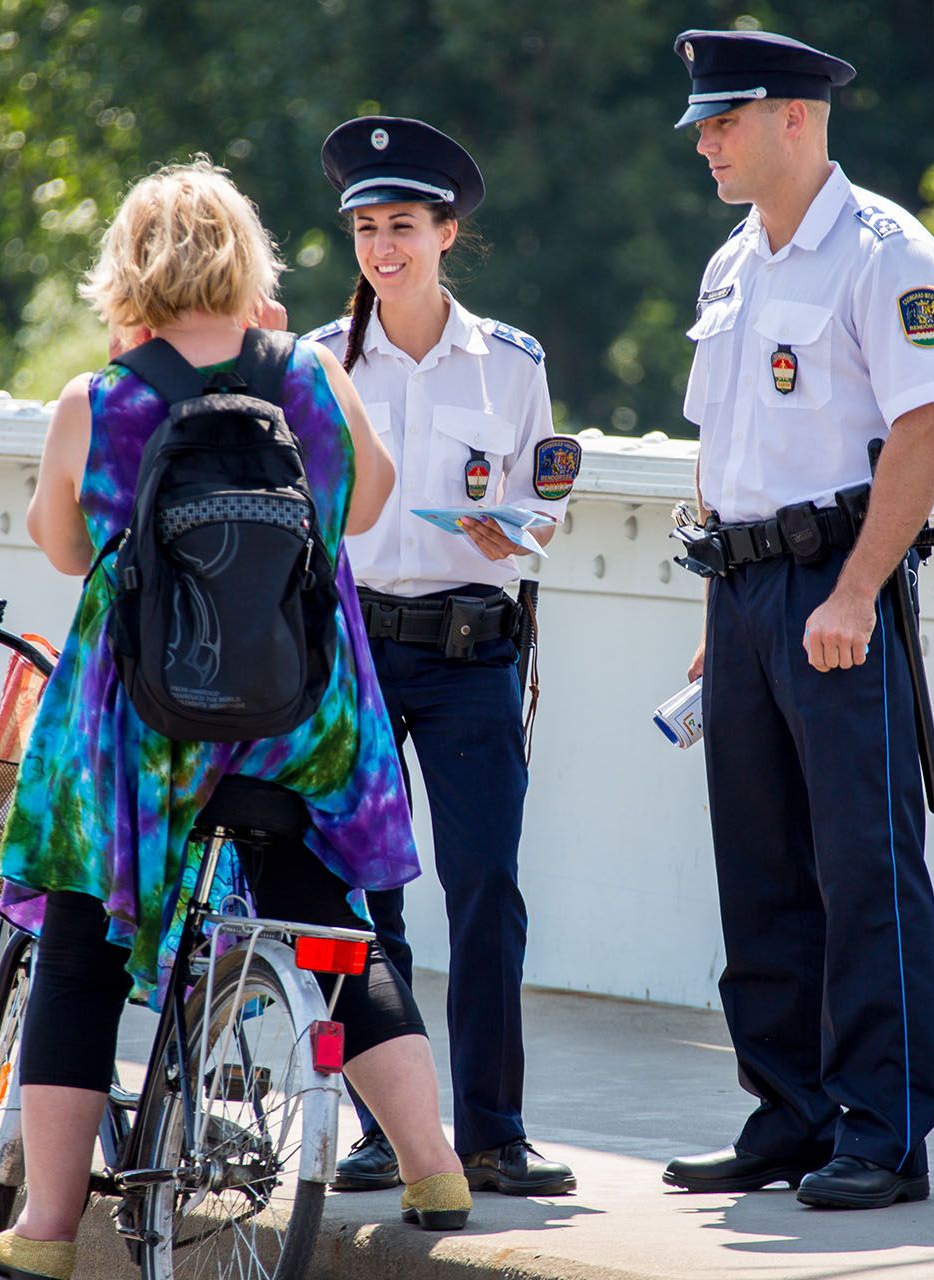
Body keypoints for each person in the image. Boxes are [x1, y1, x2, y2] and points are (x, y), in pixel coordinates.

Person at [0, 158, 472, 1280]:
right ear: (249, 261)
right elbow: (368, 504)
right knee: (326, 918)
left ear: (128, 268)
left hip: (144, 733)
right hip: (298, 717)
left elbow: (64, 548)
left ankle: (46, 1230)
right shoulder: (312, 377)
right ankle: (435, 1164)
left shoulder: (99, 401)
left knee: (82, 947)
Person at [658, 31, 934, 1210]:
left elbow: (926, 426)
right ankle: (787, 1114)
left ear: (795, 116)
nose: (705, 142)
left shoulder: (886, 253)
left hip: (837, 586)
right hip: (743, 593)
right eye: (703, 125)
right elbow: (720, 451)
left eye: (723, 121)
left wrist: (854, 589)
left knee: (863, 866)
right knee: (759, 870)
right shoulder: (732, 264)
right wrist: (716, 609)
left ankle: (883, 1132)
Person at [301, 116, 579, 1198]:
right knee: (363, 894)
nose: (384, 248)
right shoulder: (319, 363)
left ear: (447, 233)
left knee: (486, 889)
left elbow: (542, 496)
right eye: (367, 228)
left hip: (471, 653)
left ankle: (495, 1131)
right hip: (355, 653)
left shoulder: (511, 363)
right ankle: (387, 1128)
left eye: (404, 226)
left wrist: (519, 532)